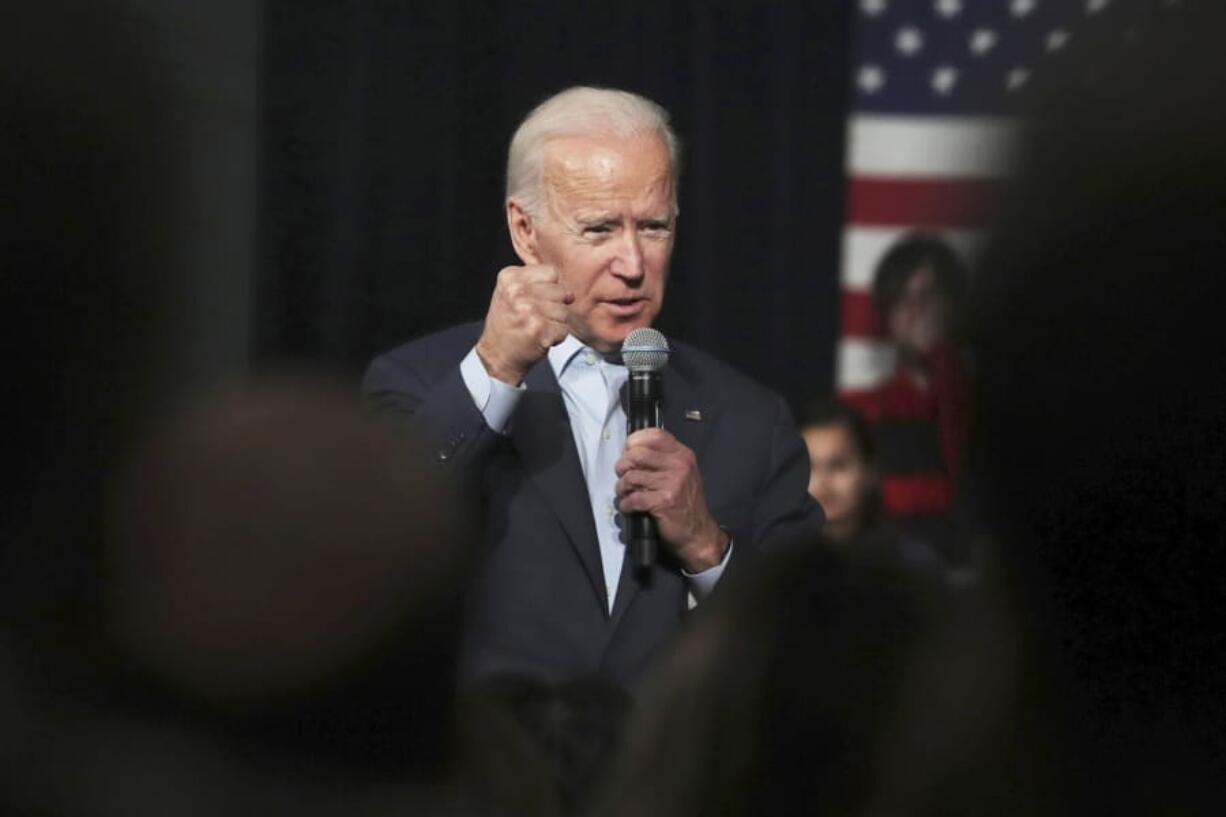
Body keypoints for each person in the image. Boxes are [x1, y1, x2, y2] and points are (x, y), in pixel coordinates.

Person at [363, 86, 823, 688]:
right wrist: (496, 369)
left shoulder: (751, 420)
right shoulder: (418, 383)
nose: (633, 263)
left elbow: (812, 646)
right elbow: (373, 551)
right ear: (525, 231)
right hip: (489, 769)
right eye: (600, 229)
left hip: (664, 776)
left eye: (654, 227)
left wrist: (710, 548)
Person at [840, 232, 973, 565]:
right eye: (903, 300)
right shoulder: (863, 409)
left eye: (928, 296)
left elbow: (967, 487)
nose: (917, 312)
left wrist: (942, 363)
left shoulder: (982, 402)